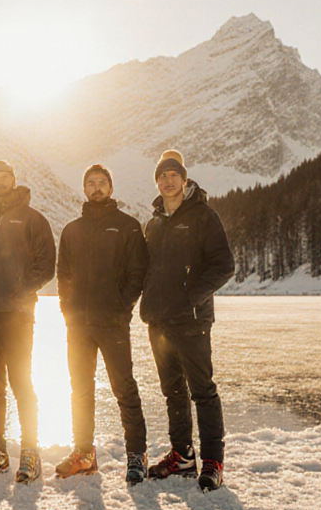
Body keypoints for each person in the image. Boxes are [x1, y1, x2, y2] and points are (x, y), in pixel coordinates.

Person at [139, 150, 235, 491]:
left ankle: (212, 461)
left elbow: (224, 265)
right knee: (173, 392)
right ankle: (182, 456)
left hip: (192, 320)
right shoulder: (154, 222)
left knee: (203, 391)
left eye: (173, 175)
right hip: (159, 321)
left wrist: (192, 296)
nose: (167, 181)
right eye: (161, 176)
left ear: (184, 178)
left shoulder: (203, 216)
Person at [55, 164, 150, 484]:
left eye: (102, 183)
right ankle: (84, 454)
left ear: (110, 188)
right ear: (84, 189)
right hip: (78, 325)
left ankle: (137, 455)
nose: (96, 188)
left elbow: (138, 273)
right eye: (91, 183)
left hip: (112, 323)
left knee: (124, 388)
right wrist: (67, 309)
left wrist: (122, 307)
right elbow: (63, 274)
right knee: (80, 390)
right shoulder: (72, 229)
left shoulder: (127, 227)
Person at [0, 161, 56, 483]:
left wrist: (22, 291)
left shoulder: (33, 218)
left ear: (14, 180)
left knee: (21, 383)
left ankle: (31, 450)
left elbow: (47, 265)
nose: (0, 182)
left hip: (18, 314)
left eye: (5, 177)